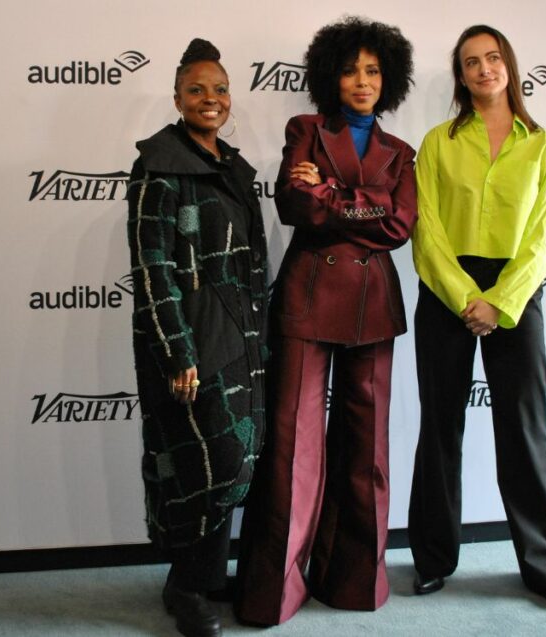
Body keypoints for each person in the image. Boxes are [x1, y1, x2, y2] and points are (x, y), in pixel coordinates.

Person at [235, 16, 416, 626]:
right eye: (349, 69)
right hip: (308, 301)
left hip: (373, 305)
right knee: (292, 448)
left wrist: (333, 195)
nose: (361, 81)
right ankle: (274, 592)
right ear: (328, 76)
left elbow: (399, 226)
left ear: (387, 78)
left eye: (372, 70)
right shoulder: (304, 129)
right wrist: (361, 203)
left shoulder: (403, 152)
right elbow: (295, 206)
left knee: (367, 451)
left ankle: (356, 581)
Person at [407, 25, 546, 606]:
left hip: (516, 294)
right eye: (472, 61)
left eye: (493, 57)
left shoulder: (544, 145)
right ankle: (431, 557)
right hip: (446, 289)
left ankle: (545, 564)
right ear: (460, 75)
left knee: (524, 430)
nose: (484, 68)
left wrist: (499, 301)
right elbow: (425, 231)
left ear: (510, 66)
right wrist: (463, 298)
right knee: (441, 426)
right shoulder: (436, 143)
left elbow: (543, 238)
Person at [126, 38, 267, 637]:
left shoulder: (231, 166)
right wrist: (176, 350)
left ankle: (201, 577)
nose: (211, 99)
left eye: (220, 89)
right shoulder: (158, 167)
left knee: (235, 459)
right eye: (197, 90)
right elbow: (152, 267)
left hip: (242, 336)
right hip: (191, 340)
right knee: (200, 463)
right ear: (177, 97)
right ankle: (185, 586)